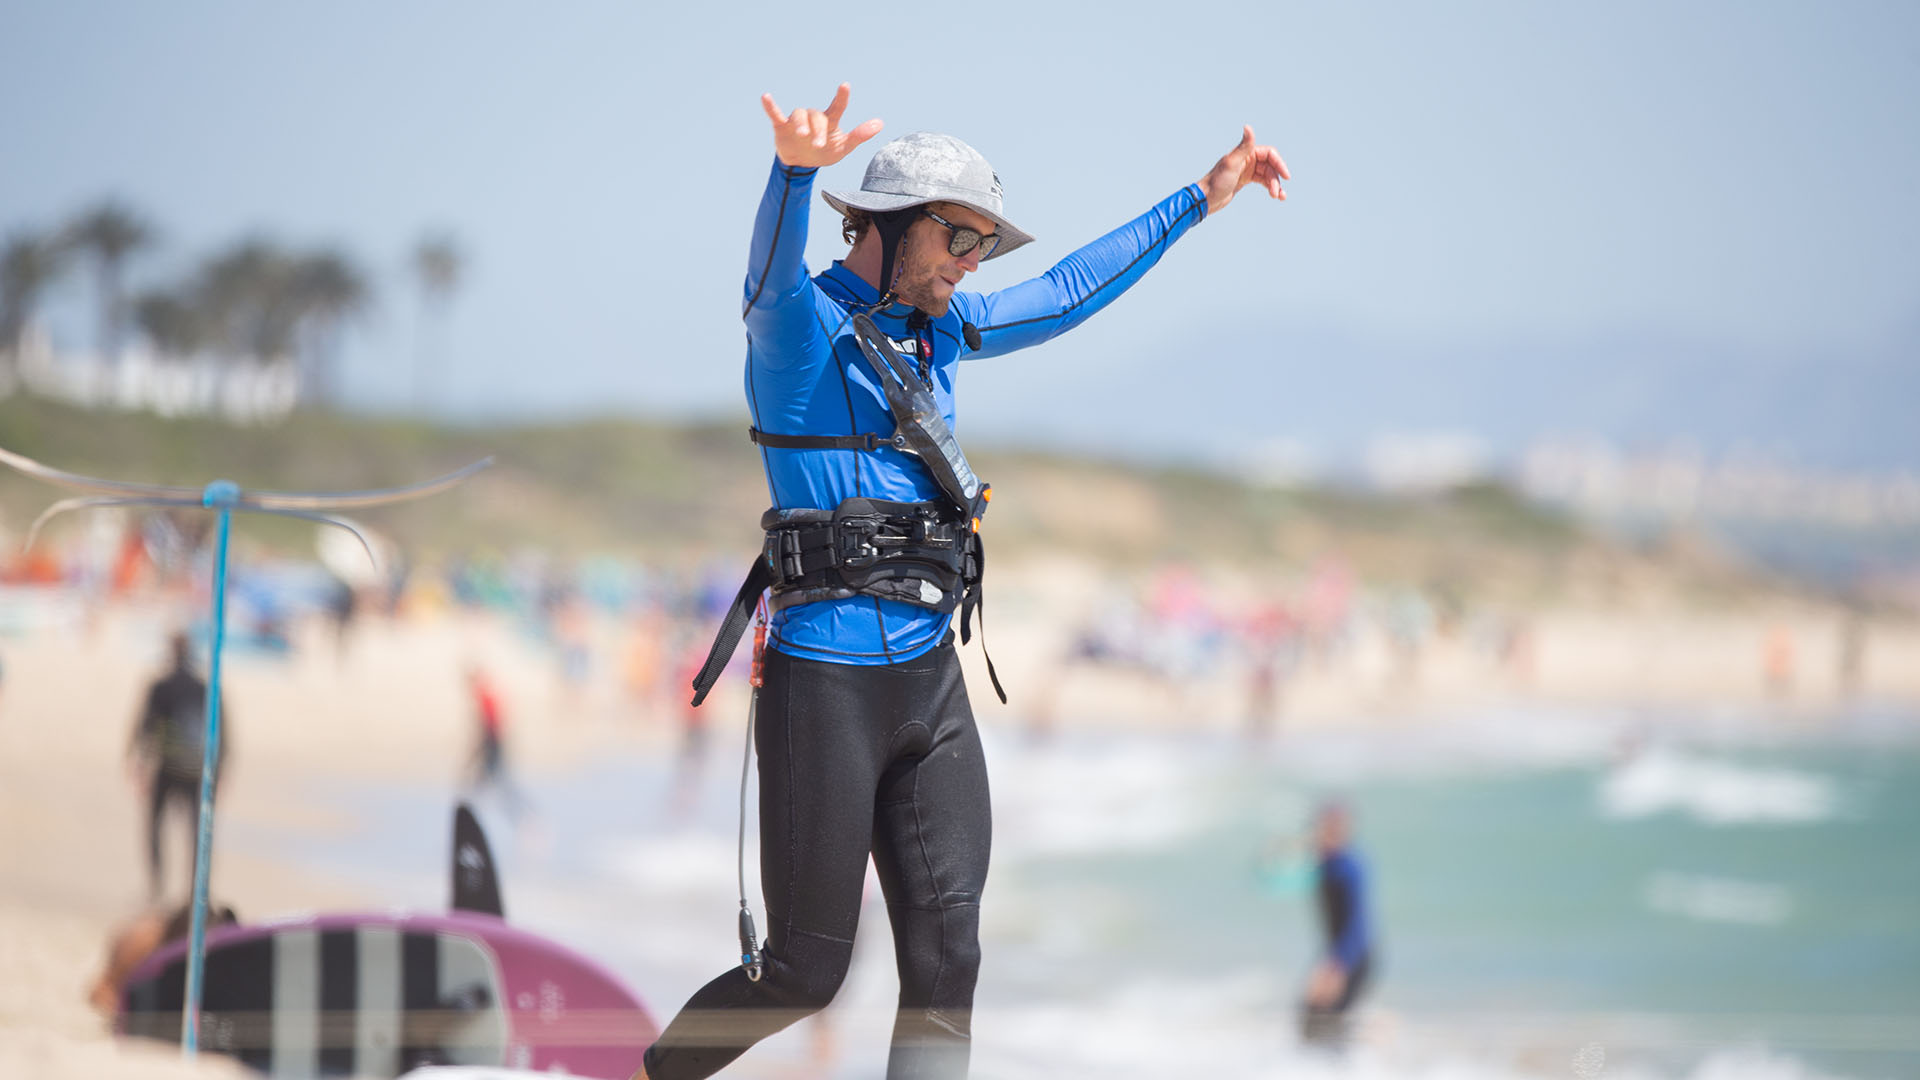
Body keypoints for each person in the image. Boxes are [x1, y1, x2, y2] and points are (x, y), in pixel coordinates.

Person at [647, 83, 1288, 1080]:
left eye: (983, 246)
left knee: (950, 959)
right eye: (958, 238)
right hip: (826, 684)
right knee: (805, 973)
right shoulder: (797, 328)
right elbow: (767, 275)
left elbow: (1069, 291)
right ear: (893, 224)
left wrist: (1201, 198)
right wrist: (791, 172)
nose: (971, 264)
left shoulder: (942, 333)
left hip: (931, 685)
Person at [128, 631, 228, 901]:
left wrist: (136, 761)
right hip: (198, 769)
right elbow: (223, 731)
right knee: (198, 831)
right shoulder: (207, 687)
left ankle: (156, 885)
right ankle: (196, 890)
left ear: (171, 652)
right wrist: (221, 771)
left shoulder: (161, 686)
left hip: (168, 766)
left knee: (155, 826)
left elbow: (146, 725)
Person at [1301, 799, 1376, 1050]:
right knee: (1312, 1018)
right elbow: (1275, 879)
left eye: (1336, 827)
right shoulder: (1324, 863)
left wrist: (1337, 965)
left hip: (1353, 956)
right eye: (1325, 826)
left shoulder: (1350, 866)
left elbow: (1357, 924)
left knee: (1327, 1019)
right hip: (1336, 954)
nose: (1330, 832)